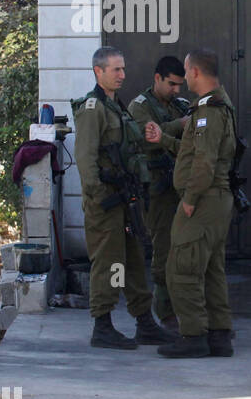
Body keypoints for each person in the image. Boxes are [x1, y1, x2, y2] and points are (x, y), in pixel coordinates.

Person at [73, 47, 176, 350]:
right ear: (98, 72)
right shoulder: (93, 109)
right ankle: (102, 325)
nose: (122, 75)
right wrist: (95, 197)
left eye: (123, 69)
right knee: (108, 263)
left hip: (124, 200)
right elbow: (86, 158)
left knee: (132, 260)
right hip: (105, 202)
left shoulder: (115, 107)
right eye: (115, 70)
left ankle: (144, 322)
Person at [152, 49, 237, 358]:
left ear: (197, 73)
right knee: (212, 269)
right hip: (215, 200)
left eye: (187, 72)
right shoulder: (217, 106)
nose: (185, 77)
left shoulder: (208, 112)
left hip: (203, 201)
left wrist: (189, 199)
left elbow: (204, 162)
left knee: (182, 269)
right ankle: (219, 334)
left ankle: (193, 336)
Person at [129, 56, 191, 332]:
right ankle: (166, 313)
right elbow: (145, 137)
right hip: (158, 188)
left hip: (184, 186)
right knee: (163, 250)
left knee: (188, 252)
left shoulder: (181, 106)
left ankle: (189, 311)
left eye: (180, 85)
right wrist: (181, 125)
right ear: (157, 78)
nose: (176, 90)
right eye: (171, 84)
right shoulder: (140, 106)